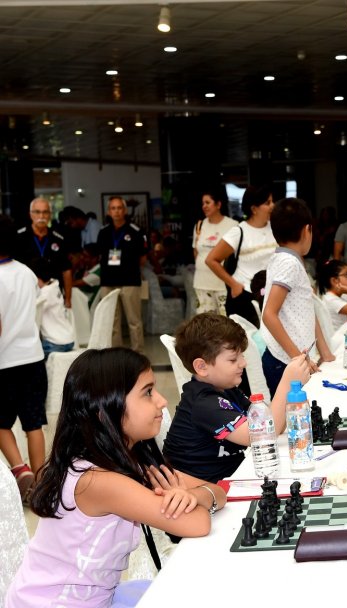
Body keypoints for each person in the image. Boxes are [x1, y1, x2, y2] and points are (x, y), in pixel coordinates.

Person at [5, 347, 226, 606]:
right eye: (147, 392)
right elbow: (198, 523)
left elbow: (217, 490)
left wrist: (191, 495)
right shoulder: (98, 481)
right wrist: (191, 499)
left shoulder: (124, 462)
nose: (162, 401)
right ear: (106, 409)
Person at [162, 313, 311, 483]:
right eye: (233, 359)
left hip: (231, 477)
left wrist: (293, 392)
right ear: (202, 366)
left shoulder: (226, 389)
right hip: (202, 490)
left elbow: (271, 424)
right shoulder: (203, 403)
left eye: (242, 355)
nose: (243, 363)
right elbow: (263, 436)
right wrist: (286, 383)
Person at [261, 198, 335, 397]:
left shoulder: (286, 259)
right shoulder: (289, 263)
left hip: (289, 359)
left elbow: (307, 311)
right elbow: (269, 315)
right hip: (284, 362)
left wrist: (324, 352)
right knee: (294, 419)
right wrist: (298, 358)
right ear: (306, 230)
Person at [0, 214, 47, 504]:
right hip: (32, 359)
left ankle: (20, 469)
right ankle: (41, 479)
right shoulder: (27, 272)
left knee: (1, 423)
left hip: (4, 362)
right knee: (34, 424)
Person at [205, 185, 276, 327]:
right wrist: (233, 284)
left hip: (271, 294)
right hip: (245, 297)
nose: (272, 206)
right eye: (267, 203)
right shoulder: (239, 231)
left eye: (272, 201)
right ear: (254, 209)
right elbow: (211, 260)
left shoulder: (274, 227)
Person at [96, 196, 149, 353]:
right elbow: (100, 255)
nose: (116, 211)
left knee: (134, 320)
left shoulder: (136, 231)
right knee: (112, 320)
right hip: (108, 281)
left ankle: (138, 354)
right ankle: (117, 355)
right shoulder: (103, 232)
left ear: (124, 211)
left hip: (130, 280)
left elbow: (143, 258)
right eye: (113, 208)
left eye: (119, 208)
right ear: (108, 211)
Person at [14, 197, 73, 308]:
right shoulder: (19, 237)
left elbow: (66, 271)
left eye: (45, 212)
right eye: (37, 212)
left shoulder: (58, 238)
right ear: (30, 214)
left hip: (55, 296)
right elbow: (14, 269)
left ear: (50, 214)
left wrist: (68, 299)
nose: (41, 216)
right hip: (27, 296)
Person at [192, 189, 238, 315]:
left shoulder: (232, 225)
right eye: (203, 203)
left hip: (223, 283)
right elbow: (196, 252)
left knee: (226, 321)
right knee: (205, 324)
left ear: (218, 204)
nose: (204, 206)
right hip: (201, 282)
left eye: (208, 202)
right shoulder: (199, 225)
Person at [31, 258, 75, 358]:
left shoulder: (45, 294)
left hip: (55, 343)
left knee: (32, 357)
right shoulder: (55, 285)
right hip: (68, 339)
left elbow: (31, 310)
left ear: (37, 278)